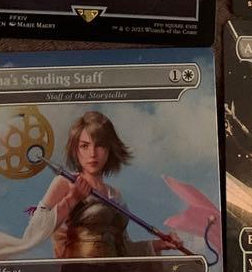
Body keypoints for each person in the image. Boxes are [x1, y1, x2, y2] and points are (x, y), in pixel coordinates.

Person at [40, 111, 184, 259]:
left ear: (110, 149)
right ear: (75, 149)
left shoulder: (115, 195)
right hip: (80, 270)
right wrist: (72, 198)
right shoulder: (65, 182)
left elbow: (124, 249)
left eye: (100, 145)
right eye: (84, 146)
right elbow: (37, 228)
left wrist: (160, 244)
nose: (92, 153)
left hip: (115, 271)